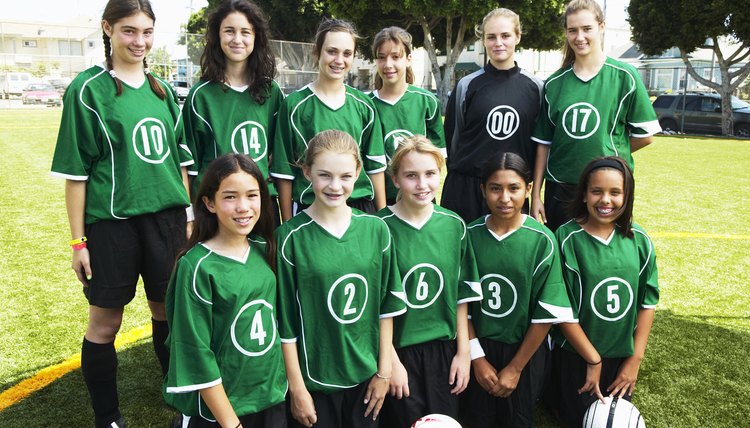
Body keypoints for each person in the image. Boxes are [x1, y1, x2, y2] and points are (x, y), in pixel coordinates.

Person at [49, 0, 193, 426]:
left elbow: (180, 164)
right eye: (129, 31)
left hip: (166, 221)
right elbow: (75, 174)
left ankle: (179, 394)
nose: (140, 41)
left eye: (147, 32)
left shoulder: (162, 90)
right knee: (105, 324)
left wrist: (186, 217)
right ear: (107, 29)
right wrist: (78, 242)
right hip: (113, 225)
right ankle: (107, 417)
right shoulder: (88, 89)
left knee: (168, 312)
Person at [275, 130, 406, 428]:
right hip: (316, 383)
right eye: (324, 175)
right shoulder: (289, 238)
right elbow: (285, 325)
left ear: (358, 172)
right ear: (307, 172)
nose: (336, 186)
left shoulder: (377, 230)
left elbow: (386, 307)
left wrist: (384, 371)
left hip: (367, 378)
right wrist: (296, 389)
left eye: (346, 176)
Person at [164, 154, 287, 428]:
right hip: (221, 413)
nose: (243, 207)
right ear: (209, 203)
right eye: (230, 197)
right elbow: (195, 352)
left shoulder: (264, 251)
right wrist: (231, 424)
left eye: (252, 195)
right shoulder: (196, 267)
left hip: (271, 399)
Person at [375, 136, 481, 427]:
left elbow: (460, 296)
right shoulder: (378, 228)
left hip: (444, 352)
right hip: (399, 351)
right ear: (395, 178)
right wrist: (391, 362)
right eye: (411, 176)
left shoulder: (454, 225)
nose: (422, 184)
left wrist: (463, 353)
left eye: (430, 174)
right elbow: (376, 304)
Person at [530, 0, 661, 232]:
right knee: (560, 256)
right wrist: (536, 195)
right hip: (560, 187)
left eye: (587, 28)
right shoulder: (554, 84)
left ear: (601, 27)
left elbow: (645, 136)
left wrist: (609, 156)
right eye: (573, 30)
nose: (579, 37)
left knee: (601, 255)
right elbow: (544, 144)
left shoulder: (624, 76)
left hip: (606, 188)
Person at [463, 152, 573, 428]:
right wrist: (477, 359)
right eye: (495, 188)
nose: (504, 198)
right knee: (478, 418)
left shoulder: (542, 240)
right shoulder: (469, 235)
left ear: (528, 189)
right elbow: (460, 304)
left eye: (514, 188)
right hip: (479, 348)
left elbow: (546, 313)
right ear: (483, 190)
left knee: (518, 420)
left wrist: (515, 368)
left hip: (525, 351)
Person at [549, 156, 658, 427]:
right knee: (577, 420)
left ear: (627, 195)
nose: (605, 200)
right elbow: (561, 310)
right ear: (584, 194)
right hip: (576, 355)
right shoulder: (565, 238)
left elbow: (647, 302)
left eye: (615, 193)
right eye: (597, 191)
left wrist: (634, 360)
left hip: (621, 357)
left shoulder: (640, 240)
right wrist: (592, 359)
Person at [271, 19, 386, 221]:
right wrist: (288, 223)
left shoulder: (364, 105)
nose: (339, 60)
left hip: (358, 206)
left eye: (347, 53)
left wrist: (383, 217)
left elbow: (375, 166)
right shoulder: (294, 105)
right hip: (311, 208)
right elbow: (284, 171)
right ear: (317, 52)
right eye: (331, 51)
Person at [184, 0, 284, 225]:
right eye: (229, 31)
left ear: (256, 37)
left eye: (245, 32)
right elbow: (190, 165)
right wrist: (190, 216)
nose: (237, 39)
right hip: (216, 208)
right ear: (217, 37)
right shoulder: (201, 95)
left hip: (259, 205)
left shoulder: (272, 92)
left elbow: (278, 154)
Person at [441, 8, 543, 224]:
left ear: (517, 36)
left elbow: (539, 145)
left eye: (505, 35)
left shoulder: (536, 88)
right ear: (483, 40)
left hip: (512, 193)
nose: (499, 42)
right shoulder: (466, 86)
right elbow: (453, 141)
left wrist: (533, 193)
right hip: (467, 189)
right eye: (491, 37)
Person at [369, 27, 446, 205]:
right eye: (381, 57)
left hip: (419, 199)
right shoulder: (366, 105)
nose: (388, 64)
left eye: (396, 57)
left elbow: (438, 157)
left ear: (408, 59)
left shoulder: (426, 101)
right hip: (378, 202)